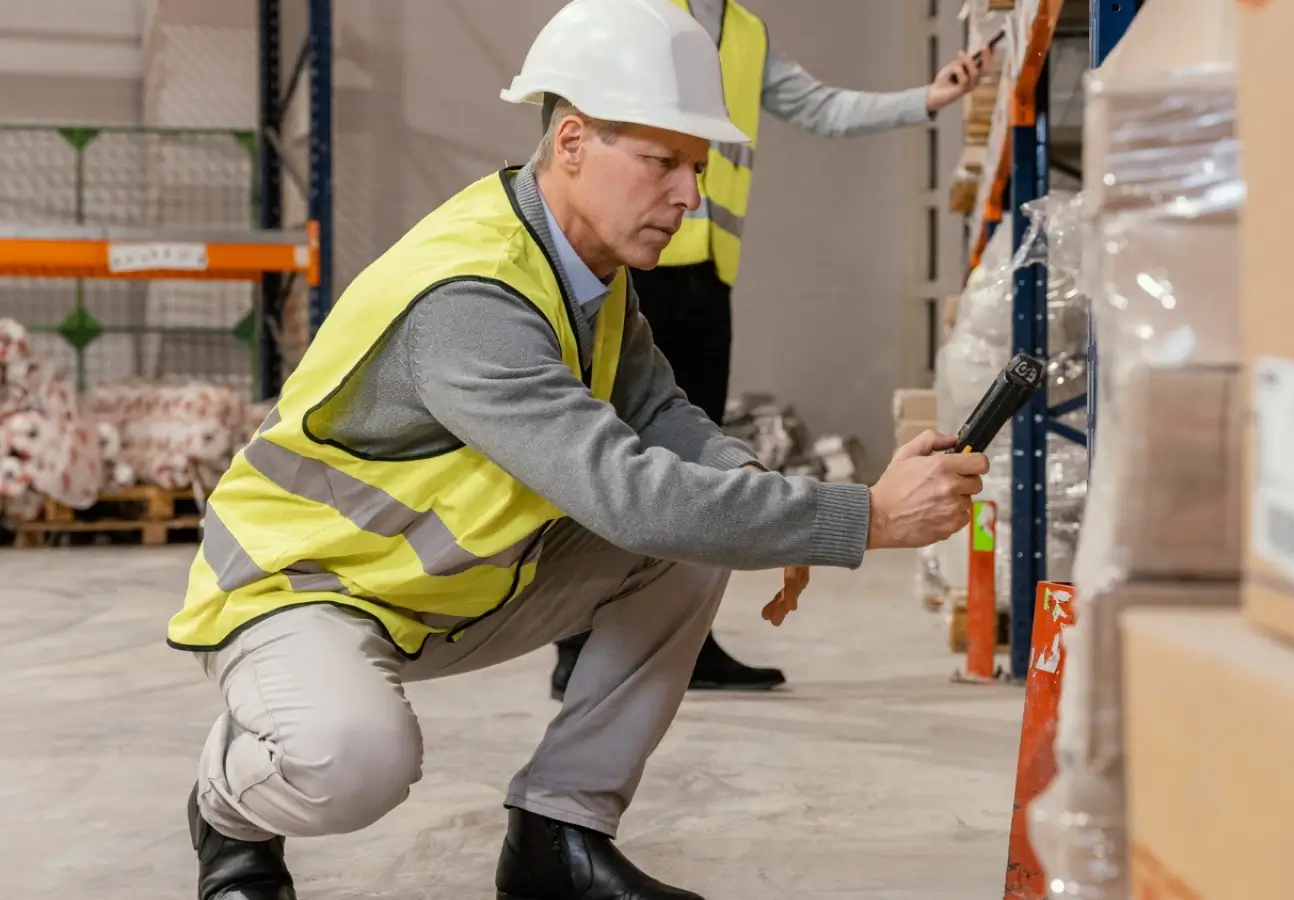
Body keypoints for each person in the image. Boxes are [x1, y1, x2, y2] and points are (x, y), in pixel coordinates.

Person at [170, 1, 988, 898]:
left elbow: (661, 414)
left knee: (692, 538)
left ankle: (559, 836)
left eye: (699, 168)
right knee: (354, 760)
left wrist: (771, 508)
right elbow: (626, 492)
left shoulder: (588, 271)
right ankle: (227, 810)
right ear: (570, 143)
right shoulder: (473, 296)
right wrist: (862, 516)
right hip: (306, 589)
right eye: (662, 163)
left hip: (445, 589)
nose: (690, 196)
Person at [552, 0, 995, 699]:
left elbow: (822, 108)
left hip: (702, 273)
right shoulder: (636, 12)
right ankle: (579, 643)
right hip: (628, 260)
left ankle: (683, 638)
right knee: (607, 451)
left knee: (694, 453)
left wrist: (928, 99)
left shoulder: (748, 34)